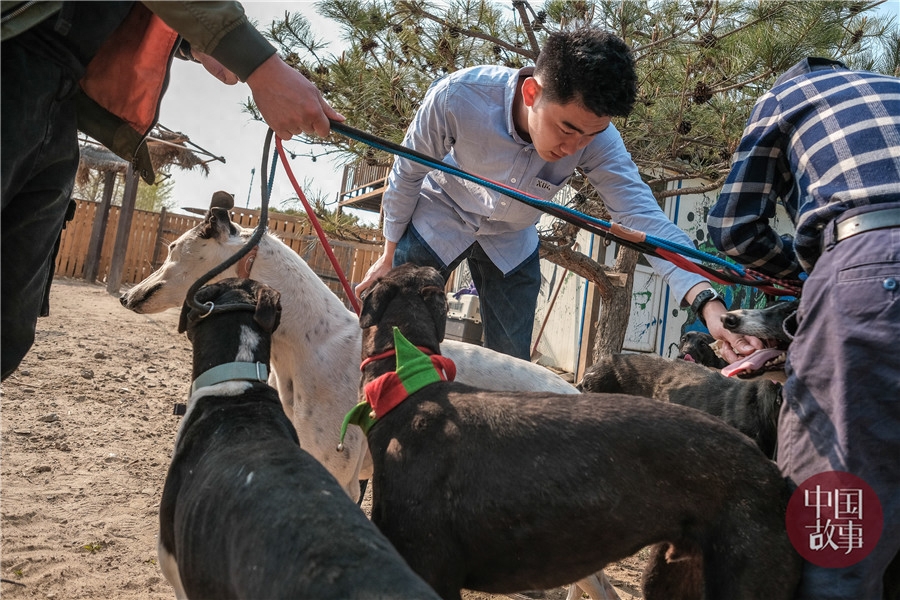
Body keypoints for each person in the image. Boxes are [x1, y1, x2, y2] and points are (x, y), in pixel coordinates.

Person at [355, 27, 750, 361]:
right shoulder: (459, 97)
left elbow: (641, 215)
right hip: (442, 211)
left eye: (589, 135)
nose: (575, 147)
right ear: (531, 93)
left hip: (512, 237)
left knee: (510, 363)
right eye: (566, 129)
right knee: (395, 342)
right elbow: (407, 172)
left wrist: (708, 304)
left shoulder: (596, 137)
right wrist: (389, 252)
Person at [1, 1, 344, 380]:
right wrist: (261, 66)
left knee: (10, 324)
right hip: (14, 56)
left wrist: (188, 41)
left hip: (61, 95)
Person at [708, 57, 900, 599]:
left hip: (871, 263)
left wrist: (810, 275)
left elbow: (732, 227)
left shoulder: (785, 96)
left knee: (833, 517)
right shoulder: (891, 90)